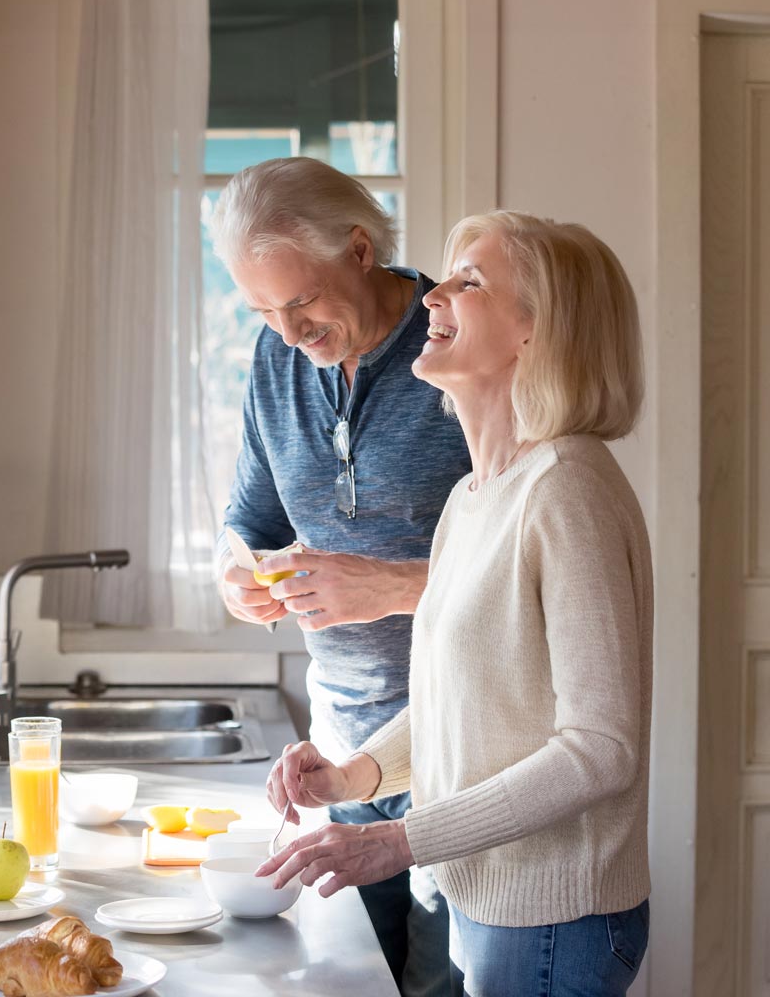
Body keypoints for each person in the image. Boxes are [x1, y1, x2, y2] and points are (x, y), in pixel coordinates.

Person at [256, 211, 653, 997]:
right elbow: (458, 698)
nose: (432, 294)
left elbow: (602, 749)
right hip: (492, 907)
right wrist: (351, 776)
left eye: (469, 282)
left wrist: (403, 841)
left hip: (553, 921)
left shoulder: (566, 487)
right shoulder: (475, 496)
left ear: (538, 331)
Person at [211, 157, 469, 995]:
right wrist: (236, 574)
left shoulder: (462, 345)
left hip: (462, 749)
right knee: (344, 983)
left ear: (360, 250)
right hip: (339, 750)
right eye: (261, 309)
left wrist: (394, 585)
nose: (287, 332)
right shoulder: (276, 362)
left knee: (435, 986)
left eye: (300, 302)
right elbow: (252, 522)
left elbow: (532, 565)